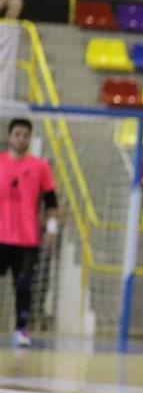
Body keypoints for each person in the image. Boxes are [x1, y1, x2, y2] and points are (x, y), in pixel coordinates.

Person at [1, 118, 57, 347]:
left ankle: (21, 330)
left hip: (26, 238)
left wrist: (51, 229)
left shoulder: (40, 167)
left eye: (26, 135)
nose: (21, 139)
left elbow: (51, 202)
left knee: (23, 287)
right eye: (17, 134)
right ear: (9, 136)